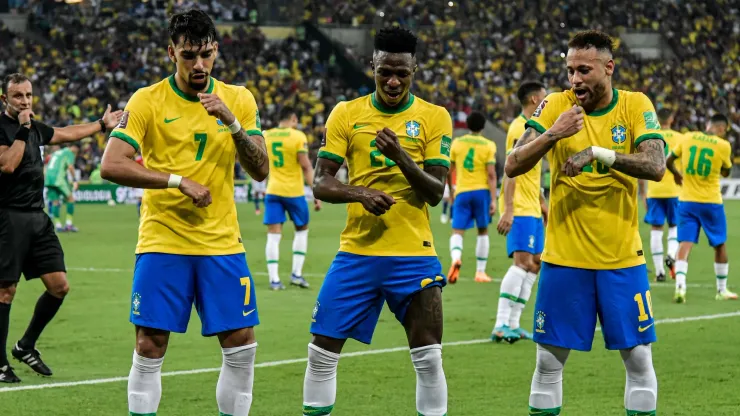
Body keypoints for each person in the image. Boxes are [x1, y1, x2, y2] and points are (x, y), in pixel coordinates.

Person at [99, 10, 269, 416]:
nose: (198, 65)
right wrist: (178, 181)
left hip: (221, 242)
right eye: (188, 55)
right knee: (149, 343)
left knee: (241, 344)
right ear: (171, 52)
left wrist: (232, 123)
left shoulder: (239, 98)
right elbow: (112, 164)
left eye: (206, 55)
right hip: (162, 239)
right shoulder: (146, 100)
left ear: (216, 51)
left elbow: (261, 168)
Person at [505, 30, 665, 415]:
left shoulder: (634, 104)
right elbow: (513, 162)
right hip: (564, 259)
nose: (575, 79)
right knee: (547, 363)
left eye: (584, 70)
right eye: (570, 70)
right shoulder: (555, 104)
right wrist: (554, 134)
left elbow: (656, 165)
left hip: (621, 259)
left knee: (639, 361)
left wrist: (599, 153)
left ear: (608, 68)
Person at [303, 27, 452, 416]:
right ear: (372, 65)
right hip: (357, 251)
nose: (392, 80)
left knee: (429, 359)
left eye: (402, 73)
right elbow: (320, 181)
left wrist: (401, 156)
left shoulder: (435, 117)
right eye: (385, 70)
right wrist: (361, 192)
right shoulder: (347, 113)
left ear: (415, 69)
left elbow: (435, 192)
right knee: (320, 353)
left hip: (413, 253)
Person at [0, 72, 122, 383]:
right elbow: (8, 164)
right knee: (5, 291)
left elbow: (65, 133)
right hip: (8, 218)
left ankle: (25, 345)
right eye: (18, 96)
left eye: (28, 95)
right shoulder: (4, 129)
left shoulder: (35, 128)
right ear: (5, 99)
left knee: (59, 286)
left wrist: (100, 125)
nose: (25, 101)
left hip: (37, 218)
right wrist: (25, 129)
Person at [492, 81, 548, 343]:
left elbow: (531, 173)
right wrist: (509, 210)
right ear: (535, 99)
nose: (548, 102)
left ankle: (514, 323)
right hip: (521, 208)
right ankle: (501, 323)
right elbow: (511, 169)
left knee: (535, 264)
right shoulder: (520, 128)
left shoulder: (535, 128)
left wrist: (544, 205)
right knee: (522, 263)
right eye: (545, 98)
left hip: (533, 207)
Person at [666, 114, 737, 303]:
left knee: (684, 244)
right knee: (719, 244)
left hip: (687, 201)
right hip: (711, 202)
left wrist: (676, 175)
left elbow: (668, 160)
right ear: (721, 128)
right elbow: (727, 171)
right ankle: (721, 290)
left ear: (708, 124)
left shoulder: (687, 137)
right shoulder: (723, 146)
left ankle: (680, 288)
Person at [262, 106, 321, 290]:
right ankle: (296, 275)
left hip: (273, 190)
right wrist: (316, 192)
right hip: (294, 192)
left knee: (273, 235)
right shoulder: (297, 137)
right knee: (302, 229)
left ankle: (274, 280)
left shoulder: (266, 135)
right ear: (293, 118)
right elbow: (305, 166)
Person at [446, 111, 497, 284]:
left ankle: (456, 259)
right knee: (482, 231)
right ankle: (480, 272)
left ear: (467, 125)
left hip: (462, 191)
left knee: (457, 231)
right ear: (483, 126)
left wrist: (451, 192)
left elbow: (448, 170)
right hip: (481, 192)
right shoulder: (489, 145)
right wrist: (493, 199)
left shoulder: (457, 143)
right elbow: (491, 174)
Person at [638, 108, 685, 282]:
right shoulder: (681, 138)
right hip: (675, 191)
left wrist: (643, 192)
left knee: (656, 230)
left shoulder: (651, 136)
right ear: (671, 119)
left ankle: (659, 272)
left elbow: (643, 164)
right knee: (674, 227)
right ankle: (671, 254)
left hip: (654, 190)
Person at [44, 144, 79, 232]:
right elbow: (70, 167)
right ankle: (69, 225)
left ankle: (58, 226)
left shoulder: (57, 152)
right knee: (70, 199)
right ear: (74, 148)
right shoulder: (69, 152)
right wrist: (75, 180)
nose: (76, 154)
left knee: (55, 202)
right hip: (58, 178)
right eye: (77, 151)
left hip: (48, 178)